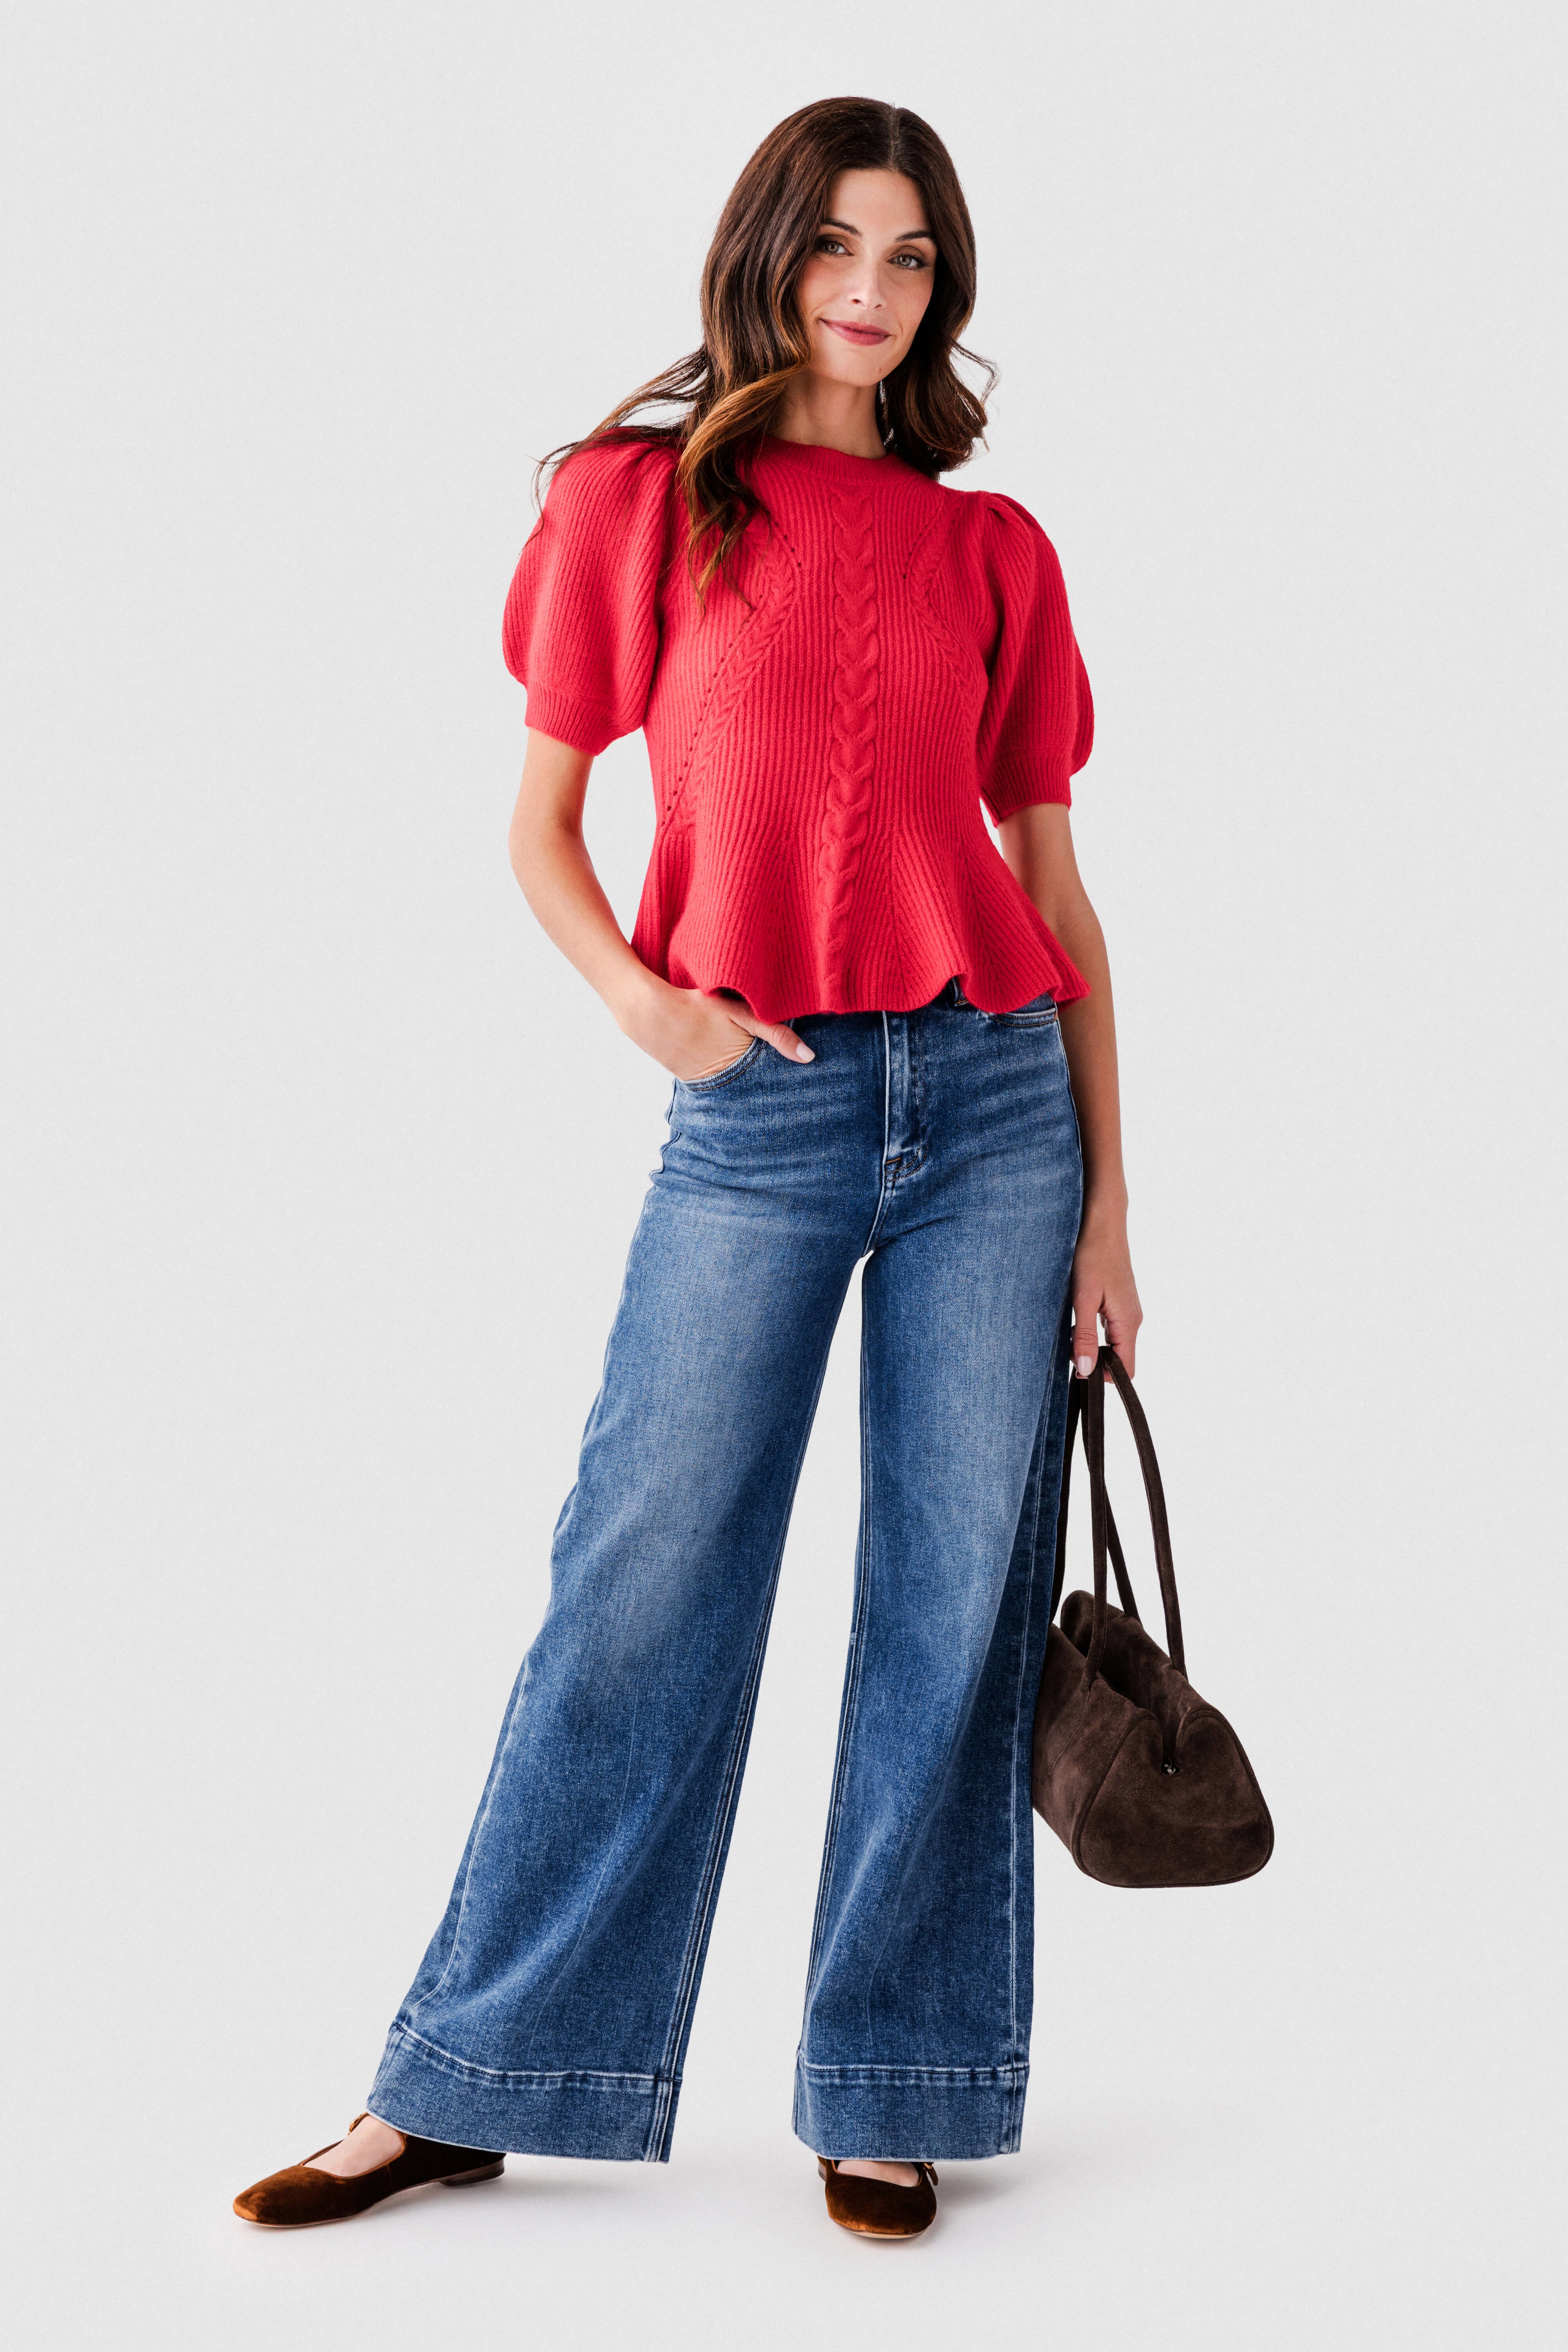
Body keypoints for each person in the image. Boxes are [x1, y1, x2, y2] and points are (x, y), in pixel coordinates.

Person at [234, 92, 1141, 2244]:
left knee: (953, 1601)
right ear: (767, 253)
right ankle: (472, 2078)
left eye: (911, 257)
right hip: (760, 1107)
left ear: (943, 288)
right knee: (643, 1575)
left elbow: (1056, 890)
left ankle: (893, 2084)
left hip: (997, 1109)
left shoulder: (992, 550)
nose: (870, 288)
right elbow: (540, 825)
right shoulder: (637, 501)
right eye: (836, 244)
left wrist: (1113, 1203)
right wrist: (648, 1010)